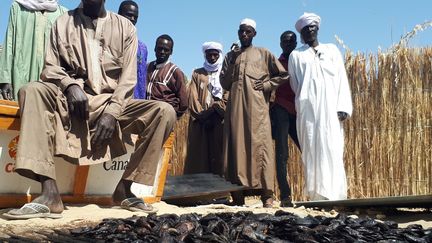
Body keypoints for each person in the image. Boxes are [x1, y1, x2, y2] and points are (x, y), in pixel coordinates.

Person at [3, 0, 176, 220]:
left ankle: (125, 188)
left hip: (112, 103)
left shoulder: (125, 28)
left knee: (164, 112)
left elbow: (128, 79)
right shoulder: (62, 23)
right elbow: (50, 68)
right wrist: (70, 85)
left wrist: (112, 112)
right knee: (33, 90)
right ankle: (49, 192)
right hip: (72, 102)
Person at [220, 18, 289, 207]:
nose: (244, 34)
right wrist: (232, 59)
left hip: (257, 112)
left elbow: (283, 75)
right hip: (235, 112)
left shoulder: (263, 54)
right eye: (241, 31)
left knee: (262, 148)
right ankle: (238, 196)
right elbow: (224, 83)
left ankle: (266, 195)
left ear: (254, 34)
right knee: (235, 148)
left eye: (248, 31)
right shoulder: (230, 56)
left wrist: (267, 85)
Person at [288, 12, 353, 201]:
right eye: (306, 29)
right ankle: (317, 195)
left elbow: (341, 79)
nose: (310, 31)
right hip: (308, 110)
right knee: (311, 148)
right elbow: (295, 83)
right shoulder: (296, 55)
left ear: (318, 29)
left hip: (331, 110)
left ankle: (336, 194)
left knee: (332, 147)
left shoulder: (331, 50)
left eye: (313, 27)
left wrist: (343, 106)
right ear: (301, 33)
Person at [0, 0, 67, 100]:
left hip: (50, 79)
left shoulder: (63, 14)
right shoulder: (18, 7)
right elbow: (9, 42)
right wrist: (5, 79)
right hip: (20, 75)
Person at [184, 42, 227, 175]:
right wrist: (203, 116)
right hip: (200, 122)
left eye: (215, 55)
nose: (213, 58)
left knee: (219, 154)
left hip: (219, 120)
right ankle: (198, 191)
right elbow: (192, 97)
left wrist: (214, 110)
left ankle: (221, 192)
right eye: (210, 55)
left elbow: (227, 95)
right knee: (199, 156)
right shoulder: (198, 73)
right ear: (205, 55)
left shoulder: (225, 73)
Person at [270, 30, 300, 207]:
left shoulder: (301, 61)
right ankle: (285, 196)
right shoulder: (276, 63)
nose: (288, 44)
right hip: (281, 110)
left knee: (308, 150)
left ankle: (316, 190)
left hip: (299, 112)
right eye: (285, 41)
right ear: (281, 43)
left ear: (295, 43)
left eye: (291, 41)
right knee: (282, 154)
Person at [146, 35, 188, 117]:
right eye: (160, 48)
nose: (162, 52)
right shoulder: (147, 68)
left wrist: (173, 116)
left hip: (163, 116)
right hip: (145, 114)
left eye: (166, 50)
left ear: (171, 52)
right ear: (155, 48)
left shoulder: (175, 72)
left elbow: (184, 102)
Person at [118, 0, 147, 99]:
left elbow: (142, 77)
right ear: (119, 15)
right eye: (129, 15)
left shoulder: (142, 48)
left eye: (136, 17)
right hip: (114, 99)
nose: (133, 19)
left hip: (136, 102)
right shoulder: (108, 40)